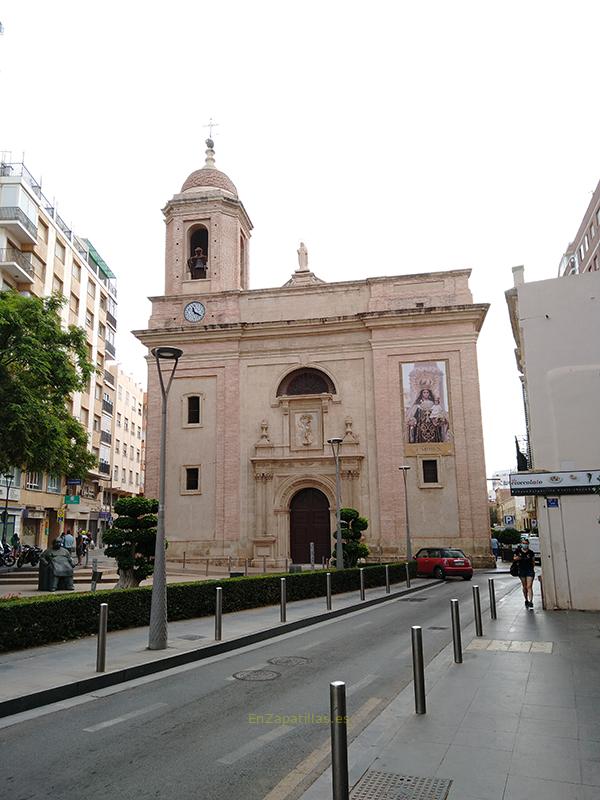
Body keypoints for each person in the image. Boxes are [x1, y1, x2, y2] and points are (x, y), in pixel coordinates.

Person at [513, 537, 536, 608]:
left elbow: (533, 562)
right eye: (523, 543)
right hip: (521, 570)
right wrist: (518, 558)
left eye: (526, 543)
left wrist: (532, 568)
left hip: (529, 570)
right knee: (525, 586)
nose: (524, 545)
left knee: (529, 586)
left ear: (528, 544)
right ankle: (526, 599)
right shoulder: (518, 551)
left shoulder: (531, 552)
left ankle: (531, 601)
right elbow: (514, 558)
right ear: (521, 544)